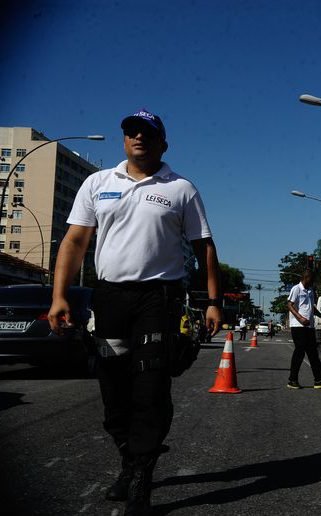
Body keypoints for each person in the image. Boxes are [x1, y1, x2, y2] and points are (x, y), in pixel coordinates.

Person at [48, 108, 222, 515]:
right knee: (113, 390)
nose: (138, 138)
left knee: (149, 387)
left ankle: (142, 476)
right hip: (109, 297)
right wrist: (60, 297)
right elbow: (74, 242)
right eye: (131, 132)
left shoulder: (180, 188)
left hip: (158, 299)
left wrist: (213, 301)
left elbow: (204, 248)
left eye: (147, 132)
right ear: (124, 140)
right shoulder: (98, 183)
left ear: (163, 143)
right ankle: (129, 458)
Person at [287, 269, 321, 389]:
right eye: (312, 280)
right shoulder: (296, 289)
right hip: (298, 326)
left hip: (309, 327)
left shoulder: (310, 290)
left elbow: (312, 308)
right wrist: (300, 318)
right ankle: (292, 380)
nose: (313, 283)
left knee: (313, 354)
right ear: (306, 278)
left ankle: (319, 380)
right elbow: (290, 305)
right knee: (300, 352)